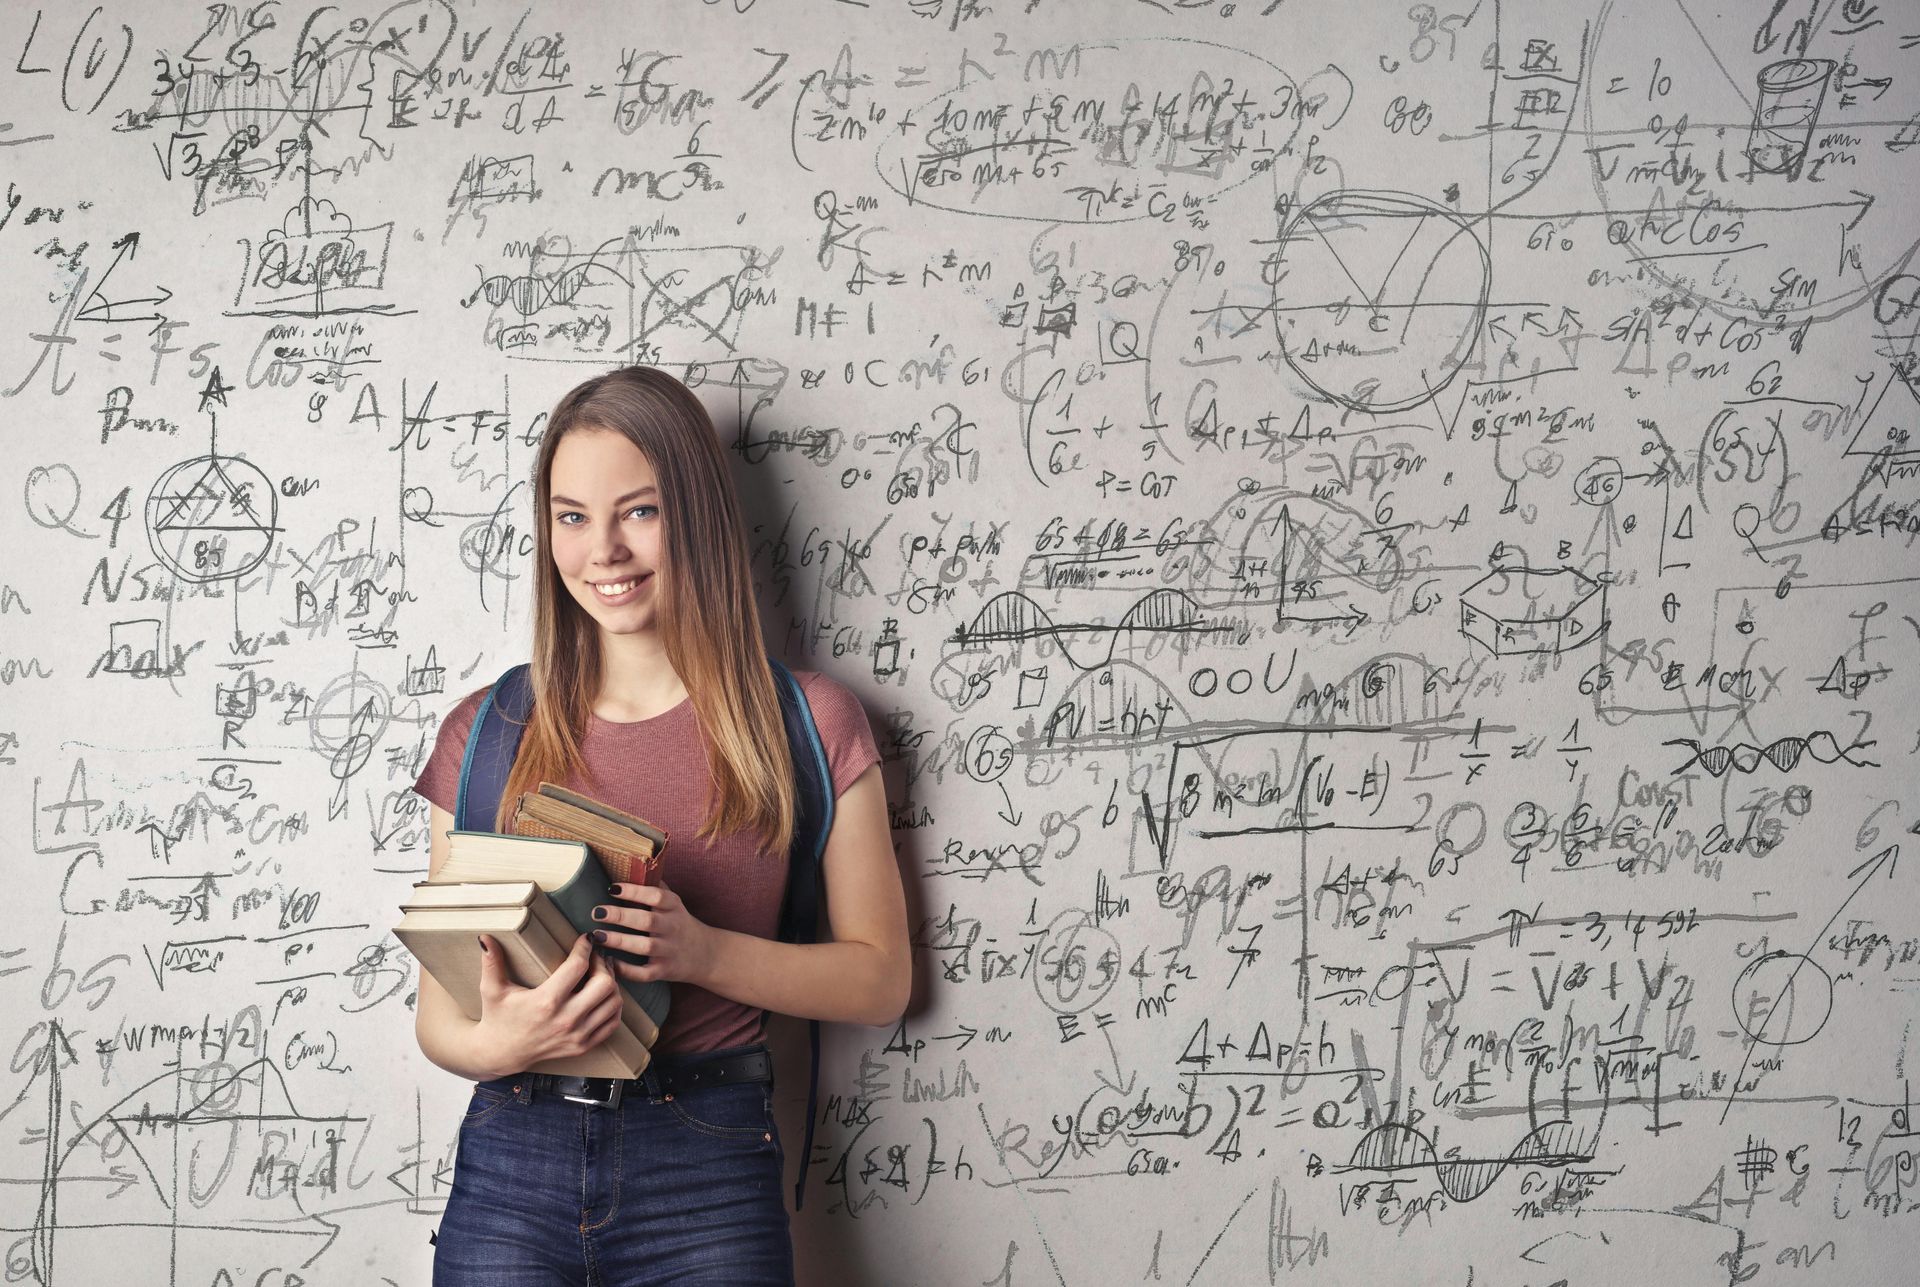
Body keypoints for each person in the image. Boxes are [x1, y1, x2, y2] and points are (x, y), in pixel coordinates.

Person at [408, 365, 912, 1286]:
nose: (602, 550)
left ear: (699, 515)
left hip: (709, 1164)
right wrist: (505, 1042)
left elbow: (882, 978)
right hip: (512, 1157)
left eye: (638, 511)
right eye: (570, 516)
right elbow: (443, 1014)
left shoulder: (811, 722)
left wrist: (703, 952)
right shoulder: (485, 732)